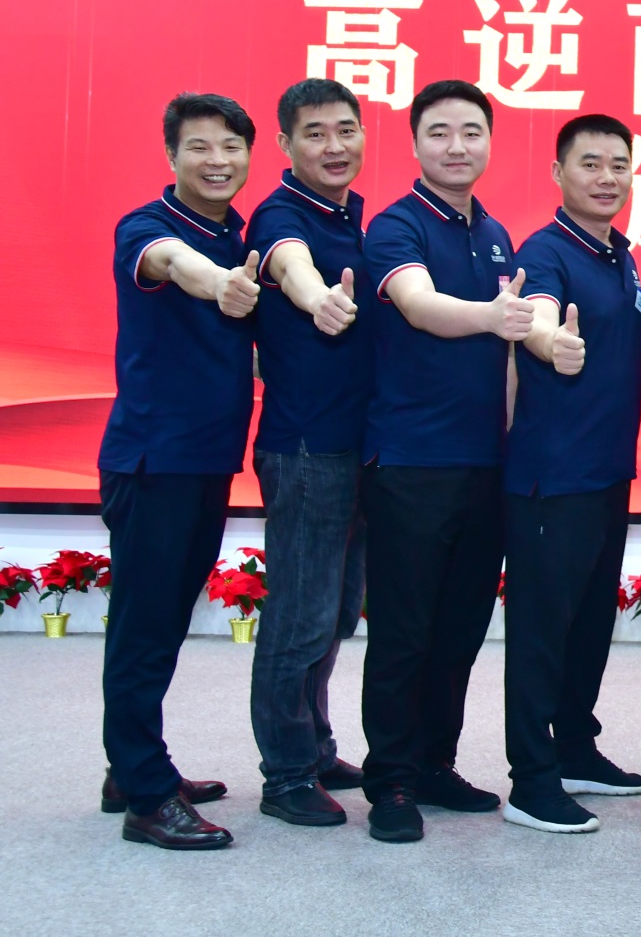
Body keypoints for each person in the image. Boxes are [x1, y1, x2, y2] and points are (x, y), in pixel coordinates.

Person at [358, 80, 527, 843]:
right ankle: (391, 781)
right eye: (439, 133)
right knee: (404, 631)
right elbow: (419, 305)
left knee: (460, 627)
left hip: (485, 463)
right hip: (411, 462)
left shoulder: (495, 234)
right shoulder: (397, 225)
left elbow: (513, 355)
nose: (457, 147)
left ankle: (435, 763)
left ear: (489, 141)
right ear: (416, 143)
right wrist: (492, 316)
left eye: (471, 132)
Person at [98, 93, 260, 850]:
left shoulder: (240, 234)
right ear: (171, 156)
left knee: (164, 622)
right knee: (143, 626)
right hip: (154, 460)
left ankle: (131, 766)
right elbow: (173, 263)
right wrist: (217, 282)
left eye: (231, 147)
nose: (217, 161)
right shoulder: (147, 227)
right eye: (200, 147)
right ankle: (146, 796)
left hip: (207, 460)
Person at [500, 114, 641, 834]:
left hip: (606, 472)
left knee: (589, 624)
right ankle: (531, 780)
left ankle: (574, 749)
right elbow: (536, 316)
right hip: (551, 478)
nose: (606, 178)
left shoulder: (621, 254)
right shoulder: (546, 250)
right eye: (590, 164)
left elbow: (638, 337)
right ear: (558, 173)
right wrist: (548, 341)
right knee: (541, 631)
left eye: (618, 165)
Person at [245, 79, 373, 828]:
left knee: (334, 615)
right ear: (286, 145)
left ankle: (317, 745)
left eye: (346, 130)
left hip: (356, 446)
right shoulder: (281, 214)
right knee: (299, 615)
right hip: (305, 449)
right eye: (316, 134)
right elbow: (290, 264)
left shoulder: (354, 215)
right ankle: (286, 774)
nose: (334, 146)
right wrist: (316, 295)